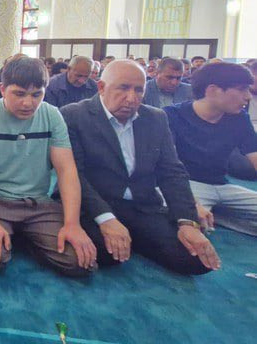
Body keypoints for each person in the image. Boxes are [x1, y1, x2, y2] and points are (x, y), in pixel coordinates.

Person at [62, 60, 218, 275]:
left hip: (143, 205)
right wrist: (106, 219)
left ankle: (134, 237)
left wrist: (186, 221)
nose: (131, 98)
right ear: (101, 87)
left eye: (138, 90)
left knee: (197, 260)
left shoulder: (156, 118)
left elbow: (172, 172)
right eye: (123, 88)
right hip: (97, 205)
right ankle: (126, 237)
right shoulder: (74, 115)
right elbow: (74, 176)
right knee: (103, 254)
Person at [0, 56, 97, 277]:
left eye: (37, 94)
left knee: (81, 262)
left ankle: (28, 238)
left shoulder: (52, 115)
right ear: (2, 89)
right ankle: (18, 235)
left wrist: (72, 224)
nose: (28, 103)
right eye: (19, 94)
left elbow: (66, 170)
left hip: (38, 204)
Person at [165, 62, 257, 236]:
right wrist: (192, 204)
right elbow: (169, 169)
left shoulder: (239, 118)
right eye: (242, 89)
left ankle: (218, 215)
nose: (248, 97)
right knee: (188, 224)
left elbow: (255, 156)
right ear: (213, 90)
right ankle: (215, 215)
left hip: (223, 186)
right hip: (188, 185)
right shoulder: (171, 116)